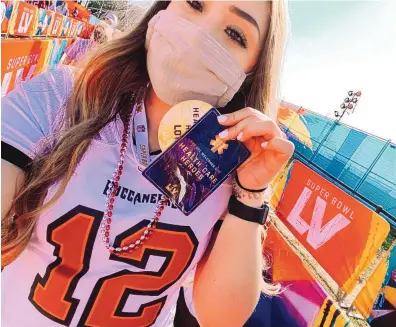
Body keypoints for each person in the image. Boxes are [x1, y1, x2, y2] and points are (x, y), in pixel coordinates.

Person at [1, 1, 292, 327]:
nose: (201, 35)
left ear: (252, 69)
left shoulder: (231, 168)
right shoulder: (63, 97)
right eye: (195, 4)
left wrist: (250, 194)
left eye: (235, 34)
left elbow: (220, 319)